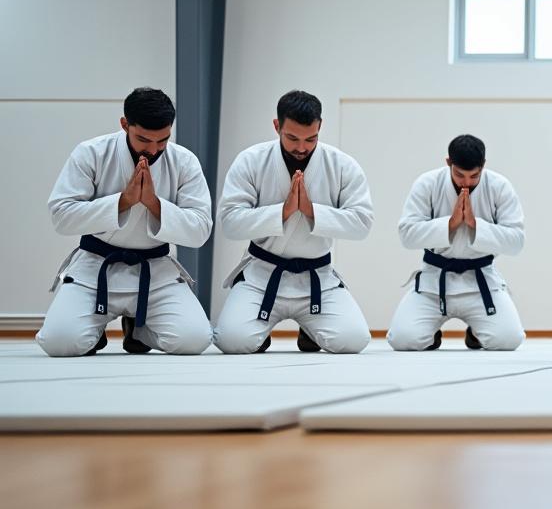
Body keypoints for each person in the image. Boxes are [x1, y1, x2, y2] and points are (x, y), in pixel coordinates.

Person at [37, 87, 214, 356]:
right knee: (60, 342)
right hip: (96, 267)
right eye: (144, 139)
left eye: (163, 140)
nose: (154, 149)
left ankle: (138, 327)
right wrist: (123, 202)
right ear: (124, 124)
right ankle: (94, 334)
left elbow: (201, 229)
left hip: (154, 269)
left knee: (194, 340)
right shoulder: (91, 153)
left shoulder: (184, 161)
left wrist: (153, 204)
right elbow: (61, 216)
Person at [213, 90, 373, 354]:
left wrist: (312, 212)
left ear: (320, 127)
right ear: (277, 126)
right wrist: (282, 213)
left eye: (311, 138)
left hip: (317, 278)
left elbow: (362, 223)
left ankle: (311, 330)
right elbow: (230, 222)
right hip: (262, 275)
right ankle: (259, 332)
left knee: (353, 340)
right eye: (292, 138)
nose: (302, 147)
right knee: (232, 341)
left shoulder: (342, 165)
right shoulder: (251, 160)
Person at [387, 135, 526, 351]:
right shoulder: (427, 183)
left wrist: (475, 225)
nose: (466, 183)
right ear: (448, 163)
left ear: (483, 166)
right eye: (460, 174)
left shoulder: (499, 186)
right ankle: (431, 334)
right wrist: (450, 225)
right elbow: (407, 234)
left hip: (480, 283)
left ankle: (477, 332)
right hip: (434, 280)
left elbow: (516, 241)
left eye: (474, 176)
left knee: (509, 339)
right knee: (402, 339)